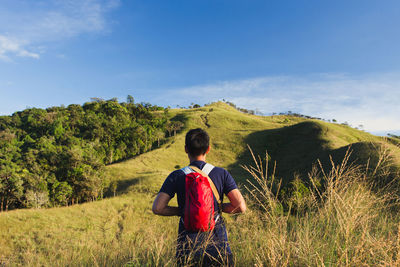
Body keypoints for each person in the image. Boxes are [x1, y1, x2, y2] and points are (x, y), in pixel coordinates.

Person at [152, 128, 246, 266]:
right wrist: (218, 207)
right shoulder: (222, 174)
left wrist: (183, 210)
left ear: (185, 149)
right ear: (208, 149)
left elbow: (158, 208)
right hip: (218, 247)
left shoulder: (176, 176)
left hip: (188, 248)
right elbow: (240, 207)